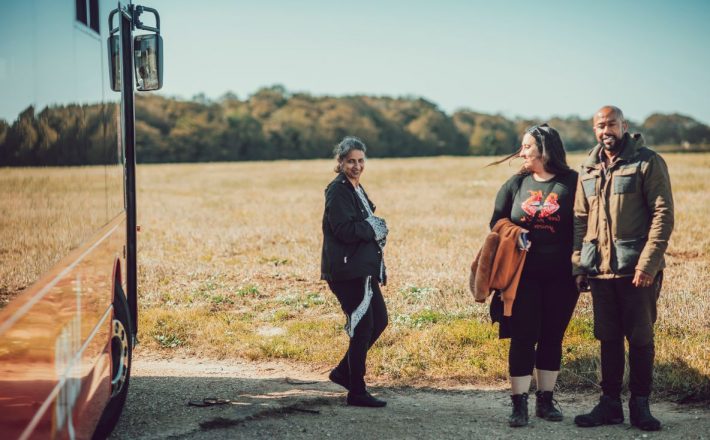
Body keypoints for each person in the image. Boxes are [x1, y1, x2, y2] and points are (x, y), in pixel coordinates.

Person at [573, 106, 674, 431]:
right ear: (594, 130)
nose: (606, 131)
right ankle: (609, 405)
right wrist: (579, 264)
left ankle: (640, 406)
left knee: (641, 337)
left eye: (612, 124)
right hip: (599, 271)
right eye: (600, 126)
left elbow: (662, 214)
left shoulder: (647, 162)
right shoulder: (587, 169)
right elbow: (579, 219)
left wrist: (648, 263)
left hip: (637, 272)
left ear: (624, 126)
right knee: (608, 338)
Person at [489, 124, 580, 427]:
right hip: (522, 277)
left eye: (527, 146)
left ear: (544, 149)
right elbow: (496, 222)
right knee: (523, 337)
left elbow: (585, 225)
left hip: (562, 278)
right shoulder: (516, 184)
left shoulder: (573, 183)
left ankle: (546, 401)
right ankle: (519, 405)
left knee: (553, 337)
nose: (522, 152)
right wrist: (514, 233)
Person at [320, 136, 389, 407]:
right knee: (362, 328)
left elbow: (363, 221)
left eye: (360, 161)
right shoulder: (337, 190)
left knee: (379, 321)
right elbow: (344, 230)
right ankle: (356, 390)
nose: (357, 165)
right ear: (340, 162)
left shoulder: (355, 187)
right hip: (346, 271)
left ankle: (343, 372)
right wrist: (373, 227)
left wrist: (373, 224)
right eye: (351, 161)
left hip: (363, 269)